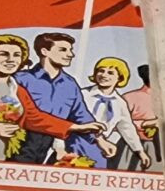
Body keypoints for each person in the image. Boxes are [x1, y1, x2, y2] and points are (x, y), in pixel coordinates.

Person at [0, 34, 104, 160]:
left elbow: (34, 118)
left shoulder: (18, 90)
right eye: (3, 54)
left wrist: (75, 127)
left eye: (16, 55)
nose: (11, 60)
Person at [11, 32, 104, 165]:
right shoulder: (20, 79)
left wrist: (99, 139)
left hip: (55, 144)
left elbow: (81, 115)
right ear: (45, 51)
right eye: (63, 50)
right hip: (22, 141)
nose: (70, 54)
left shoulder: (70, 83)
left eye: (70, 50)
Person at [79, 58, 150, 169]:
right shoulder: (83, 94)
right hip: (75, 143)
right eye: (101, 71)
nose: (104, 75)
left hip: (100, 150)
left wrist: (140, 151)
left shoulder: (120, 103)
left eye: (110, 73)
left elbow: (127, 128)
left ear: (120, 78)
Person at [120, 63, 161, 171]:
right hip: (132, 147)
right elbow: (116, 122)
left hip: (164, 149)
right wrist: (144, 124)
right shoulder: (129, 97)